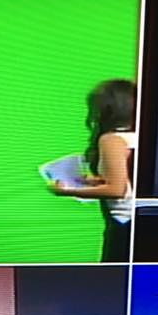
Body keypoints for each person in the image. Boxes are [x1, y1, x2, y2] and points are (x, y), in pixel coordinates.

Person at [48, 79, 136, 262]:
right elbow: (128, 180)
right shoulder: (134, 136)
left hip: (124, 223)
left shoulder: (112, 139)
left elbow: (117, 190)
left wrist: (67, 191)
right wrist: (96, 181)